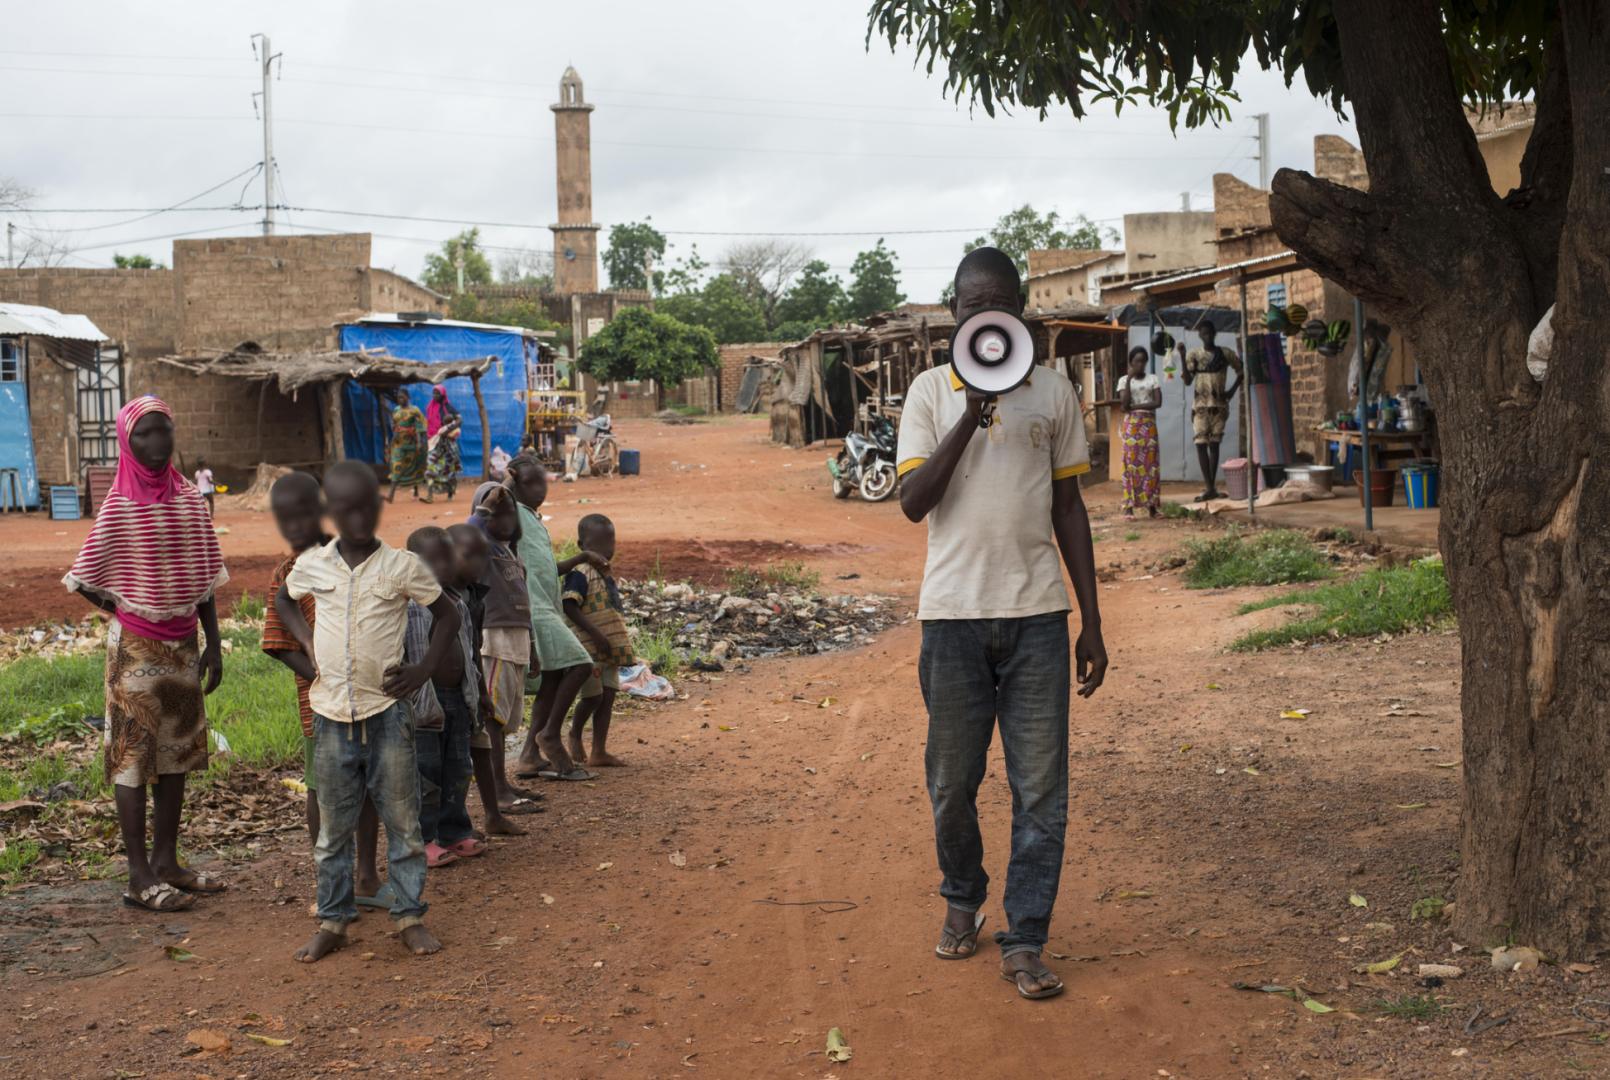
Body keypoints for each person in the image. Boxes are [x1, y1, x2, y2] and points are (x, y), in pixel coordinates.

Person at [895, 247, 1107, 1001]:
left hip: (1038, 618)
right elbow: (914, 502)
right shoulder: (928, 391)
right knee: (951, 781)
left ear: (1019, 310)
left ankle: (1026, 937)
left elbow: (1069, 508)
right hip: (952, 618)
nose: (984, 316)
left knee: (1041, 789)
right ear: (954, 312)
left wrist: (1092, 620)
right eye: (970, 305)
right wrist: (971, 413)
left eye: (998, 304)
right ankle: (963, 895)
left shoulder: (1053, 392)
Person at [277, 461, 460, 962]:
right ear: (330, 512)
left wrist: (423, 669)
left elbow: (448, 614)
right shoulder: (313, 564)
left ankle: (410, 916)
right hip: (331, 715)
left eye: (365, 506)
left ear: (378, 507)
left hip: (387, 713)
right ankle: (333, 921)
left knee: (403, 823)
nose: (356, 516)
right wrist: (307, 641)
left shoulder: (402, 566)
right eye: (345, 508)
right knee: (333, 829)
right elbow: (285, 600)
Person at [63, 396, 228, 913]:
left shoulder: (189, 499)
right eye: (144, 434)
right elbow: (85, 575)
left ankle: (167, 862)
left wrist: (214, 642)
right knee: (133, 760)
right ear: (126, 441)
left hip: (184, 646)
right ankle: (138, 876)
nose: (157, 443)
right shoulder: (119, 504)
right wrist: (124, 607)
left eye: (163, 431)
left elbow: (204, 577)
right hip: (135, 649)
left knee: (176, 755)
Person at [505, 455, 603, 782]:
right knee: (580, 664)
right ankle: (549, 734)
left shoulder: (533, 518)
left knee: (552, 678)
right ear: (514, 482)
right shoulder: (510, 511)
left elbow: (547, 568)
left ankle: (528, 756)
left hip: (548, 607)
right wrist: (507, 481)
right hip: (533, 608)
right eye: (530, 482)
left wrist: (581, 557)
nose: (540, 489)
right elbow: (486, 506)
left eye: (543, 481)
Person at [405, 527, 486, 867]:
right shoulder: (409, 606)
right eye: (434, 560)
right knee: (426, 773)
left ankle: (453, 831)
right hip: (424, 703)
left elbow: (470, 652)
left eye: (448, 558)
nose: (445, 566)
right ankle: (421, 840)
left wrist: (480, 693)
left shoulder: (458, 603)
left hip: (458, 697)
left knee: (458, 768)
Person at [463, 483, 546, 810]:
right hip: (495, 640)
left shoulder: (511, 553)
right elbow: (468, 534)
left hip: (517, 639)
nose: (508, 520)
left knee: (506, 718)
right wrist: (486, 507)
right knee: (493, 719)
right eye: (498, 514)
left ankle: (502, 782)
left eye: (511, 513)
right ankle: (497, 788)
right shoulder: (481, 551)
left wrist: (533, 647)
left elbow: (525, 606)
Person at [448, 520, 532, 836]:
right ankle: (447, 828)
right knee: (452, 762)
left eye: (483, 557)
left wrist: (482, 690)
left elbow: (472, 647)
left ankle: (493, 814)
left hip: (471, 685)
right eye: (470, 556)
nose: (479, 564)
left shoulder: (475, 597)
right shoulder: (439, 598)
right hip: (446, 692)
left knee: (479, 748)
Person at [561, 514, 634, 768]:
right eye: (597, 544)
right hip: (588, 647)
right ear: (582, 546)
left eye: (609, 542)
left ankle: (599, 751)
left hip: (608, 649)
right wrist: (596, 634)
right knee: (593, 697)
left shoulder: (606, 574)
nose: (605, 549)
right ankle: (575, 733)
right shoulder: (579, 572)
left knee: (609, 695)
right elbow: (569, 606)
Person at [1178, 322, 1243, 502]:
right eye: (1204, 333)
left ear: (1214, 333)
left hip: (1219, 406)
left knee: (1214, 445)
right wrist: (1182, 356)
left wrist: (1231, 391)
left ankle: (1211, 487)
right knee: (1200, 444)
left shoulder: (1226, 353)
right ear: (1200, 335)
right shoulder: (1194, 355)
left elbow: (1241, 371)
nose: (1207, 336)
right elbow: (1188, 381)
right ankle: (1209, 486)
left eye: (1209, 333)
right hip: (1200, 406)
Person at [1117, 347, 1163, 519]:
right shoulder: (1123, 380)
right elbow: (1124, 404)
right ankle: (1129, 507)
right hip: (1132, 426)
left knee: (1151, 465)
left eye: (1143, 361)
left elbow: (1157, 402)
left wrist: (1135, 406)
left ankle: (1152, 507)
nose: (1140, 364)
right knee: (1130, 464)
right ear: (1131, 362)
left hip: (1148, 425)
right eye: (1137, 361)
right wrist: (1129, 379)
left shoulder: (1153, 379)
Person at [385, 388, 431, 504]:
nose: (400, 399)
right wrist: (393, 433)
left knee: (413, 467)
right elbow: (394, 423)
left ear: (408, 397)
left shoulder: (414, 410)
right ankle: (391, 495)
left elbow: (421, 425)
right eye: (398, 397)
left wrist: (420, 442)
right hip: (398, 443)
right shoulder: (396, 409)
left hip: (411, 443)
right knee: (396, 466)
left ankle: (415, 490)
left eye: (402, 397)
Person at [426, 416, 463, 501]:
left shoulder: (443, 433)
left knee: (430, 473)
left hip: (444, 458)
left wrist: (436, 457)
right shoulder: (453, 434)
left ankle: (430, 495)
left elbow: (439, 448)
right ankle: (449, 496)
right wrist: (456, 419)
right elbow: (459, 421)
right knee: (450, 476)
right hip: (451, 458)